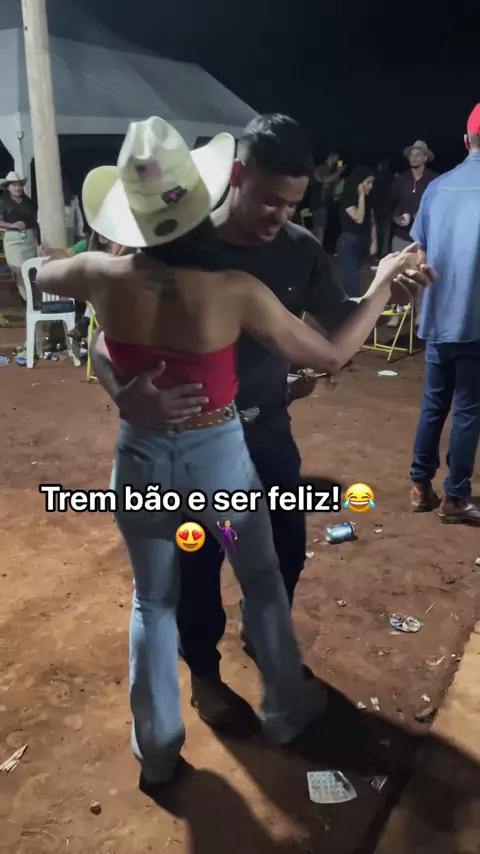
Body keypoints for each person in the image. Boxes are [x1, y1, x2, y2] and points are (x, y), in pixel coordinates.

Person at [36, 116, 433, 784]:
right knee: (258, 579)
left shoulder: (100, 273)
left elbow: (45, 276)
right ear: (220, 187)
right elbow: (333, 352)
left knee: (152, 602)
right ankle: (282, 706)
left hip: (146, 456)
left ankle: (157, 749)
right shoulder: (231, 289)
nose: (281, 214)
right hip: (217, 454)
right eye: (271, 199)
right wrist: (385, 282)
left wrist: (103, 275)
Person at [409, 105, 480, 525]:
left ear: (466, 140)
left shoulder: (437, 188)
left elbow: (420, 254)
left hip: (438, 320)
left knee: (434, 404)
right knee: (468, 408)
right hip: (475, 323)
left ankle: (421, 485)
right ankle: (455, 496)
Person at [335, 167, 377, 298]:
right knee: (351, 282)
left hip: (363, 243)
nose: (371, 186)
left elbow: (372, 221)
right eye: (368, 182)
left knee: (358, 277)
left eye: (372, 182)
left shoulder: (369, 199)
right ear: (359, 183)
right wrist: (361, 196)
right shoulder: (347, 198)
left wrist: (374, 241)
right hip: (349, 244)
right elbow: (359, 218)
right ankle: (351, 307)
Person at [391, 141, 436, 253]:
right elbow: (390, 205)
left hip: (426, 239)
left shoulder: (434, 180)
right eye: (411, 155)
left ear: (425, 158)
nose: (414, 158)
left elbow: (439, 208)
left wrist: (417, 216)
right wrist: (396, 219)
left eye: (418, 155)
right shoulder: (401, 180)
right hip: (401, 238)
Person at [0, 171, 38, 301]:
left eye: (19, 185)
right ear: (8, 187)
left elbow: (35, 218)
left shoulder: (28, 201)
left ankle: (31, 299)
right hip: (14, 240)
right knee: (19, 270)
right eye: (14, 185)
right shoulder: (3, 201)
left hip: (30, 239)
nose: (17, 188)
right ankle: (27, 300)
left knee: (31, 270)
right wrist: (12, 225)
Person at [308, 152, 346, 244]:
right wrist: (339, 171)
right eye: (336, 157)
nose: (337, 160)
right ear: (331, 156)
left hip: (325, 205)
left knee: (318, 231)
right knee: (319, 233)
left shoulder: (331, 169)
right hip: (318, 204)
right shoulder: (322, 168)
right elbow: (325, 180)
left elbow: (333, 187)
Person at [372, 158, 393, 258]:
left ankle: (377, 252)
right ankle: (383, 253)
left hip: (379, 207)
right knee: (385, 233)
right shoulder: (390, 178)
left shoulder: (376, 178)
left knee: (378, 231)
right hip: (386, 208)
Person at [63, 181, 85, 246]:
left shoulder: (73, 201)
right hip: (55, 232)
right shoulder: (50, 202)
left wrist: (80, 233)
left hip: (70, 232)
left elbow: (79, 219)